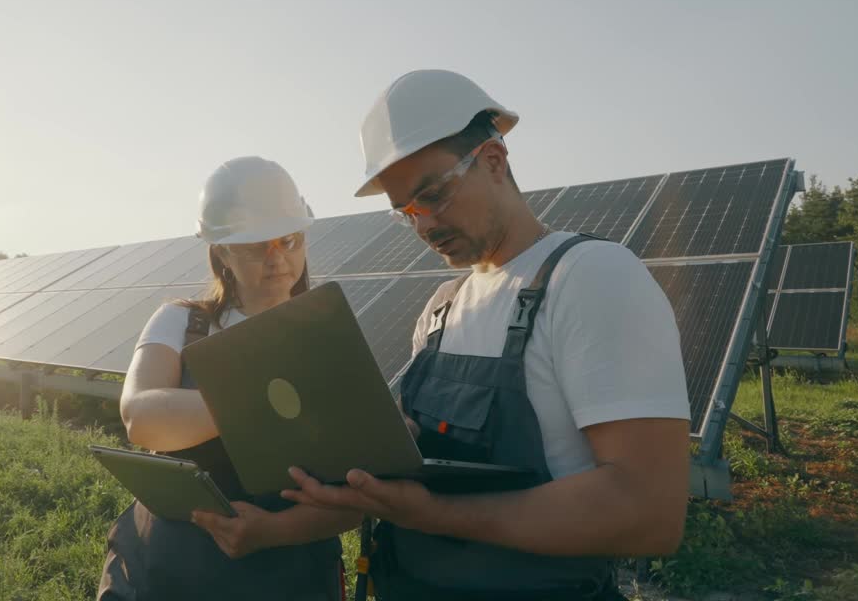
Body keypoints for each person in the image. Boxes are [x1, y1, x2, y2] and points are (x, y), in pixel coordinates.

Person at [283, 70, 692, 600]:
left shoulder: (590, 278)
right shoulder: (440, 309)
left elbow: (648, 512)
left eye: (433, 194)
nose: (424, 225)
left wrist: (432, 514)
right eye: (405, 212)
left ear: (494, 160)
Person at [98, 156, 358, 601]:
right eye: (257, 246)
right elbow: (140, 417)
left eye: (290, 240)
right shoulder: (181, 322)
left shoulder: (328, 337)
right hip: (170, 565)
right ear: (221, 251)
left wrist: (272, 531)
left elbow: (355, 492)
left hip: (289, 572)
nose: (278, 259)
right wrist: (268, 402)